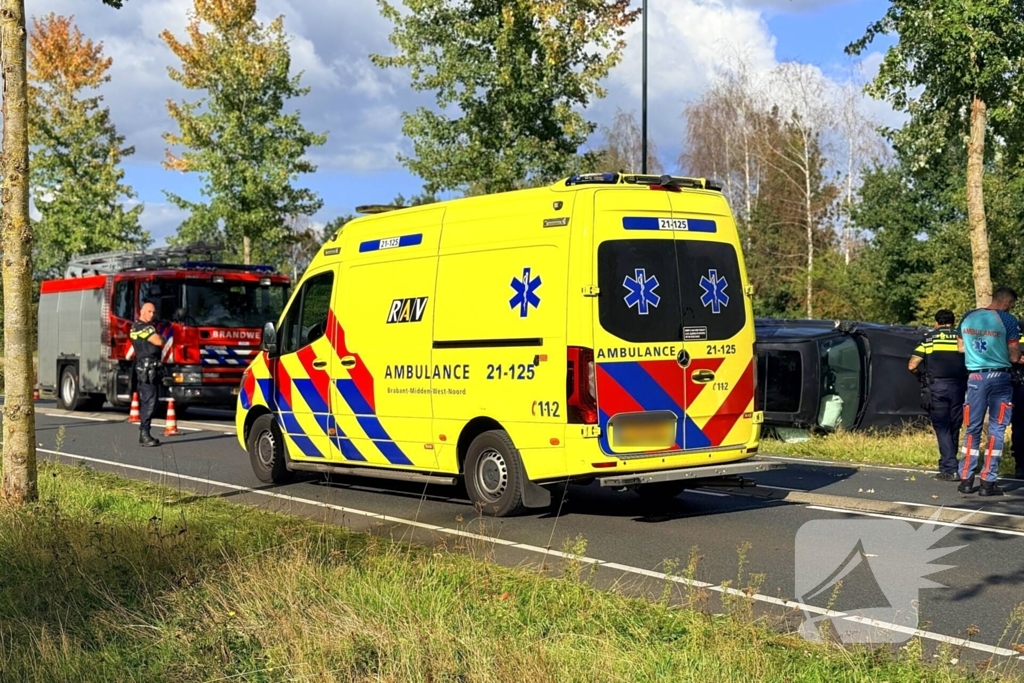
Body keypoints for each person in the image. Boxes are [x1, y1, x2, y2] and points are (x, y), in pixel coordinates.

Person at [957, 287, 1023, 496]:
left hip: (975, 378)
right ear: (1006, 302)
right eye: (1011, 305)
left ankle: (966, 478)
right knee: (996, 429)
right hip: (1000, 378)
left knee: (972, 428)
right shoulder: (1008, 320)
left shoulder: (968, 316)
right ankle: (988, 481)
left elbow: (960, 348)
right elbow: (1014, 356)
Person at [908, 309, 968, 481]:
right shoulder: (962, 337)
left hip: (937, 387)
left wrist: (921, 378)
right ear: (953, 322)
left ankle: (950, 468)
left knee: (942, 427)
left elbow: (912, 365)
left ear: (936, 322)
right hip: (959, 386)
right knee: (954, 425)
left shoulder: (929, 338)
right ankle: (946, 464)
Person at [130, 301, 164, 447]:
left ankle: (145, 433)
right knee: (149, 401)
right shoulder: (142, 327)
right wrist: (161, 337)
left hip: (150, 367)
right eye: (149, 311)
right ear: (142, 311)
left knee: (151, 400)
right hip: (146, 368)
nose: (152, 314)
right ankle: (144, 434)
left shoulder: (138, 327)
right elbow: (158, 341)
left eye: (154, 312)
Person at [1010, 316, 1024, 480]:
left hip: (1018, 385)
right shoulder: (1016, 328)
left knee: (1019, 428)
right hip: (1018, 384)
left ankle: (1020, 466)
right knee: (1020, 428)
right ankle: (1020, 466)